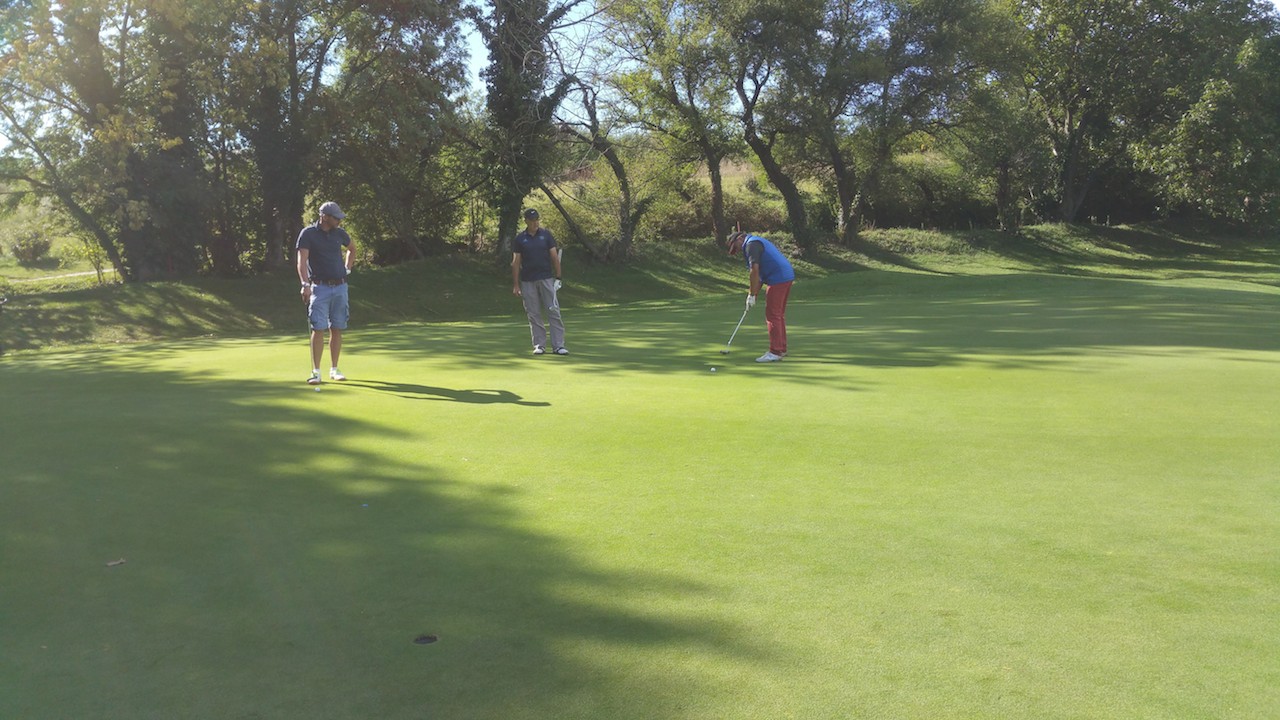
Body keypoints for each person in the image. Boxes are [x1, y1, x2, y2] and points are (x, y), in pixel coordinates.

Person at [296, 201, 354, 384]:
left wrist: (347, 269)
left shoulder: (340, 233)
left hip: (340, 286)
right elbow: (301, 261)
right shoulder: (308, 234)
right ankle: (316, 372)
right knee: (318, 328)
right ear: (325, 217)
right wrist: (305, 284)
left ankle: (334, 369)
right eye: (336, 217)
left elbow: (352, 249)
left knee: (336, 328)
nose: (339, 220)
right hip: (319, 287)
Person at [726, 230, 795, 362]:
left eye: (736, 247)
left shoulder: (751, 245)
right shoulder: (754, 243)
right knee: (778, 315)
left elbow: (754, 271)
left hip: (778, 278)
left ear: (740, 238)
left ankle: (775, 352)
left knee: (773, 315)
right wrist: (752, 295)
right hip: (785, 276)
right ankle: (781, 349)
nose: (739, 250)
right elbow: (760, 277)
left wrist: (752, 293)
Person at [511, 208, 567, 355]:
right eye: (532, 220)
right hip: (528, 280)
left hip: (546, 278)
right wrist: (516, 285)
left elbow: (554, 257)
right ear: (526, 221)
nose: (535, 222)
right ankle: (539, 345)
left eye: (537, 219)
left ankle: (558, 345)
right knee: (534, 314)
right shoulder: (520, 239)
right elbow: (516, 262)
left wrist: (559, 277)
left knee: (553, 311)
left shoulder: (546, 235)